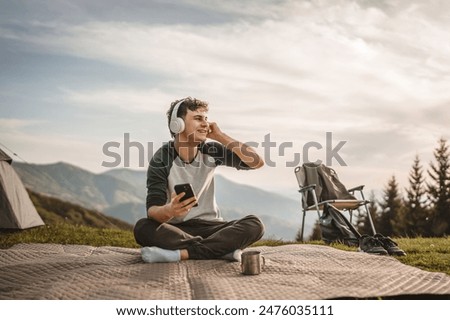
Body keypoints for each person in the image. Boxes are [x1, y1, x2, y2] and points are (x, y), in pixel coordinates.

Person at [133, 97, 265, 263]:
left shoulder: (211, 150)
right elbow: (153, 212)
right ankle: (220, 250)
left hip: (212, 227)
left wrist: (221, 136)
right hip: (178, 230)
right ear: (177, 124)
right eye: (197, 118)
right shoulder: (161, 159)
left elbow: (256, 162)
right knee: (143, 227)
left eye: (206, 119)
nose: (206, 124)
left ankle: (182, 254)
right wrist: (171, 210)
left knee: (254, 224)